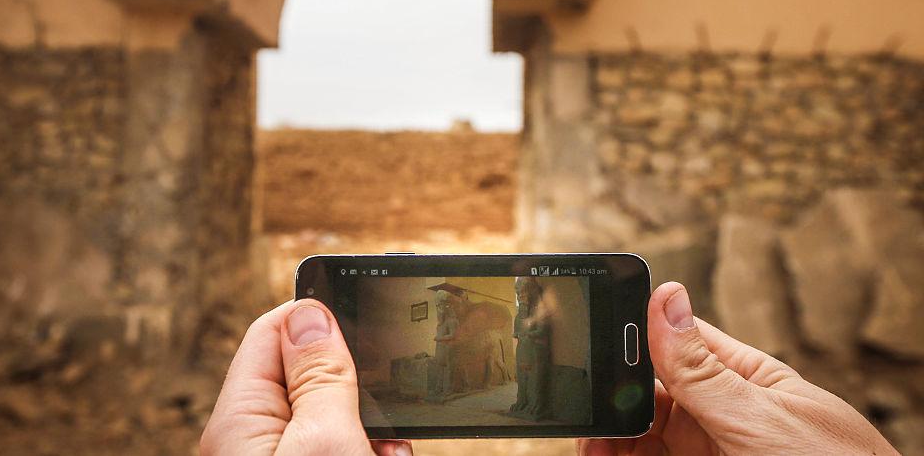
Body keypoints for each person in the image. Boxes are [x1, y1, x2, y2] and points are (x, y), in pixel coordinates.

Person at [200, 282, 899, 456]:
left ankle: (529, 404)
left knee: (525, 384)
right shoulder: (502, 318)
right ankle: (526, 403)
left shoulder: (528, 315)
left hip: (519, 360)